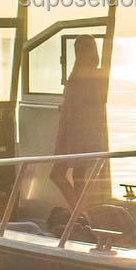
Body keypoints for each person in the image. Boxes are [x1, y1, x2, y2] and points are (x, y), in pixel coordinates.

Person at [50, 35, 109, 207]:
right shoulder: (82, 74)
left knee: (58, 175)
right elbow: (77, 105)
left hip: (77, 135)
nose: (80, 53)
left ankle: (80, 215)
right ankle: (80, 215)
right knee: (77, 177)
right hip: (72, 133)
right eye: (77, 49)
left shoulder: (87, 77)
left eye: (84, 49)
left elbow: (89, 109)